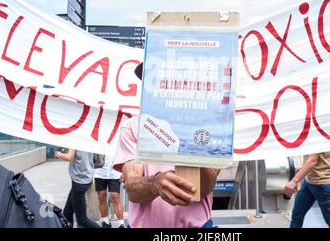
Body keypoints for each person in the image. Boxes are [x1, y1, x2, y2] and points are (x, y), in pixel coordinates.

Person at [113, 63, 220, 228]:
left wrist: (187, 140)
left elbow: (205, 187)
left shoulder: (207, 128)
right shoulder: (134, 127)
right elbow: (132, 189)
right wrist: (154, 184)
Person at [284, 152, 330, 228]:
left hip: (322, 183)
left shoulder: (317, 139)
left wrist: (294, 181)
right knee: (297, 215)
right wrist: (303, 168)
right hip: (309, 181)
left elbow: (313, 160)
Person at [55, 149, 100, 228]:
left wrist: (59, 154)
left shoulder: (74, 139)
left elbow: (69, 157)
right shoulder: (86, 138)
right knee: (67, 213)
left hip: (79, 180)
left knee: (82, 220)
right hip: (86, 176)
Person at [94, 154, 125, 228]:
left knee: (115, 196)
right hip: (100, 171)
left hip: (115, 171)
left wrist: (124, 171)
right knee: (101, 195)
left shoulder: (118, 141)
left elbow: (123, 153)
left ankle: (121, 223)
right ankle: (105, 221)